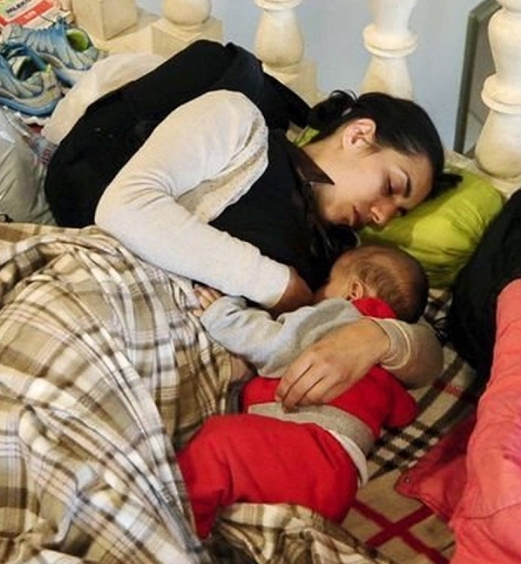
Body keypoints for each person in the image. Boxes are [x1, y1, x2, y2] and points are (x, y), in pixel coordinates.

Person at [44, 41, 458, 409]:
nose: (382, 217)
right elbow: (124, 207)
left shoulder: (342, 262)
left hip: (170, 388)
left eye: (398, 213)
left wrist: (374, 339)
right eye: (391, 187)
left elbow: (426, 357)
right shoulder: (238, 123)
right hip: (103, 313)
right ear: (358, 135)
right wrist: (276, 284)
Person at [177, 244, 429, 537]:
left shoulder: (341, 314)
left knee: (217, 445)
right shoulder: (391, 365)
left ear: (353, 292)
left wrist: (222, 313)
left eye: (327, 282)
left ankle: (178, 535)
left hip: (307, 449)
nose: (319, 291)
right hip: (340, 485)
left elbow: (272, 344)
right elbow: (403, 413)